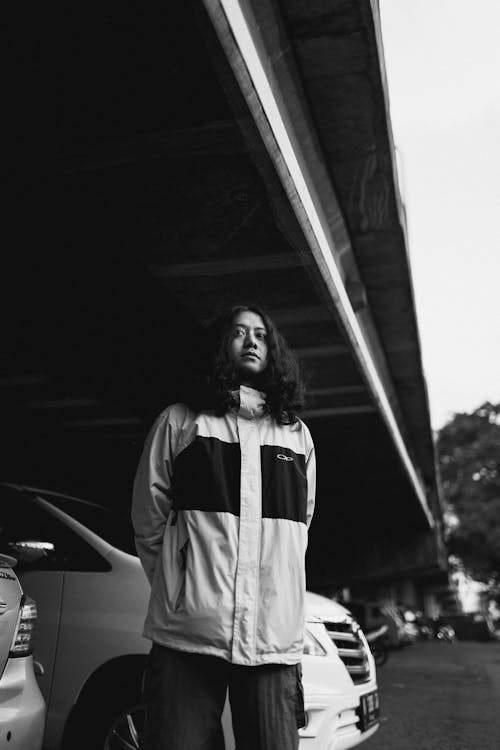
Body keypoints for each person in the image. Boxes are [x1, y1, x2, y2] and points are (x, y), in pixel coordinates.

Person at [132, 304, 316, 750]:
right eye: (238, 333)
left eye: (261, 335)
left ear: (273, 352)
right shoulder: (180, 421)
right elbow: (148, 517)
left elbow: (301, 527)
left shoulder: (297, 436)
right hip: (188, 634)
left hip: (273, 638)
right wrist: (181, 586)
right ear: (221, 346)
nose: (251, 341)